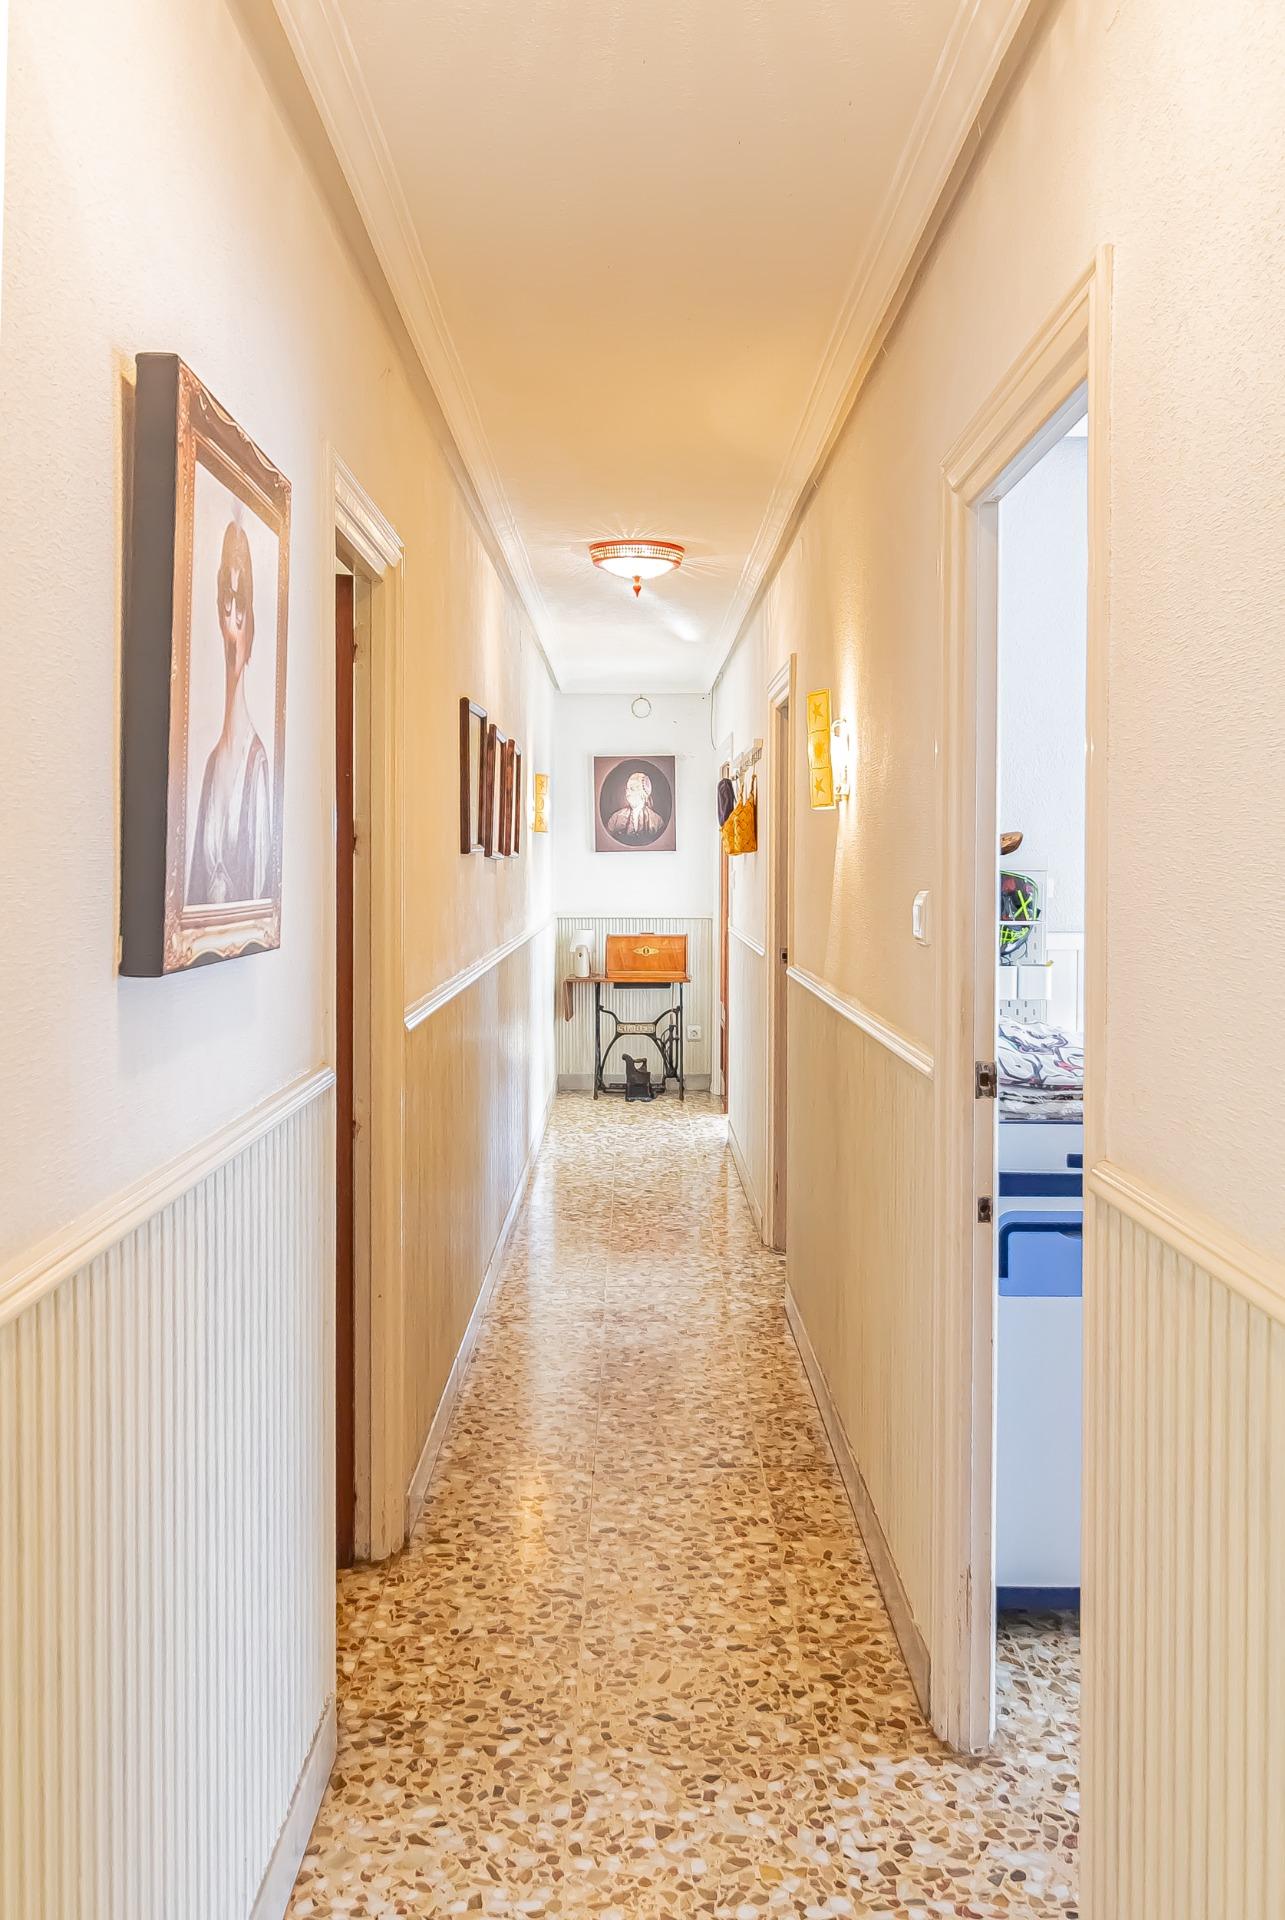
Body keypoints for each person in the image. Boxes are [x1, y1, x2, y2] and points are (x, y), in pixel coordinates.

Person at [188, 519, 271, 906]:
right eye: (226, 600)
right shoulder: (211, 765)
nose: (234, 620)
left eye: (242, 605)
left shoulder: (257, 766)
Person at [607, 769, 664, 840]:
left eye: (632, 789)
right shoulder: (616, 818)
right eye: (627, 789)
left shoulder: (657, 821)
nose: (628, 793)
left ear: (643, 794)